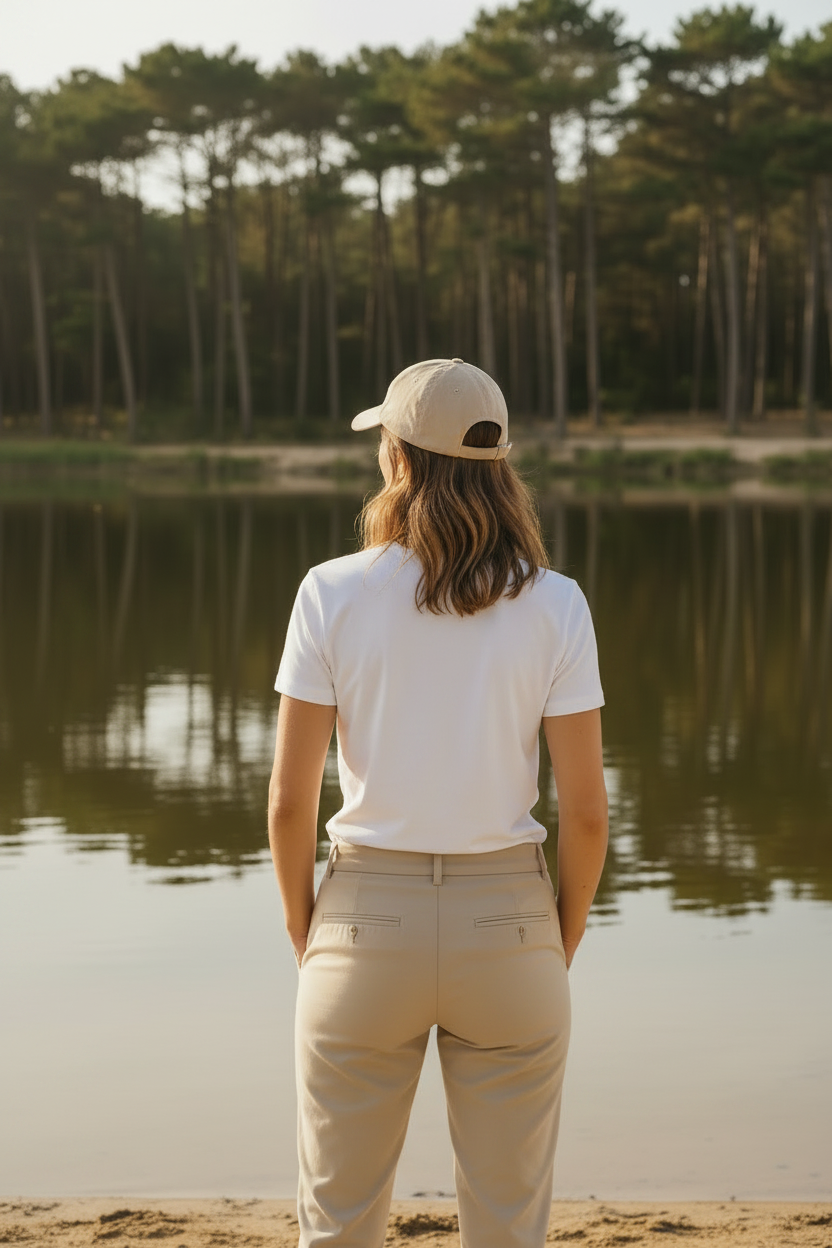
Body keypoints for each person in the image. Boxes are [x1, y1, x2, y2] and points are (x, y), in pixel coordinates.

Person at [268, 358, 608, 1248]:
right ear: (497, 465)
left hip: (360, 926)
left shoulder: (329, 592)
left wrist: (312, 931)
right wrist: (554, 937)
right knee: (508, 1226)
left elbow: (288, 802)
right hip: (512, 929)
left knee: (337, 1224)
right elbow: (585, 816)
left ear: (399, 456)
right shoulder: (558, 605)